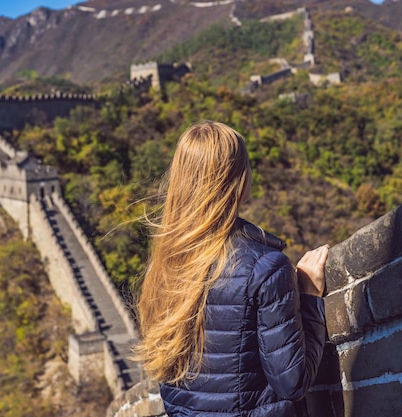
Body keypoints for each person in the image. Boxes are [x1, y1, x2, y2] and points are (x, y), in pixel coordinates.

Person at [135, 120, 328, 417]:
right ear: (237, 179)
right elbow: (292, 382)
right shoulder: (265, 267)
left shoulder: (164, 265)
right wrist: (312, 298)